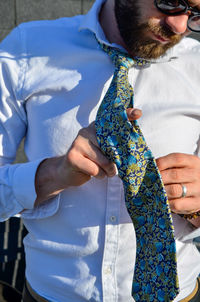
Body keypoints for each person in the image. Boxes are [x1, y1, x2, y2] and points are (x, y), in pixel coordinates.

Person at [0, 0, 200, 301]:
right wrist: (51, 174)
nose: (180, 26)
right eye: (170, 2)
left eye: (197, 14)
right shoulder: (26, 50)